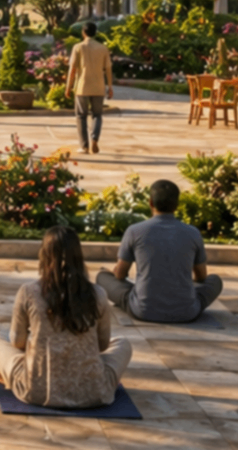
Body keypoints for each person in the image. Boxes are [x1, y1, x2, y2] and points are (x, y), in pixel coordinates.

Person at [0, 226, 132, 409]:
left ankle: (9, 374)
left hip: (37, 390)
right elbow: (102, 346)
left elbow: (17, 343)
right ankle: (100, 379)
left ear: (44, 254)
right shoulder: (98, 293)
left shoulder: (29, 291)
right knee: (123, 344)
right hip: (93, 392)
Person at [97, 178, 222, 323]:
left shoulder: (135, 231)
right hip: (186, 312)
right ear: (177, 205)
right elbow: (201, 277)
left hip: (143, 310)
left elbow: (120, 274)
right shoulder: (193, 233)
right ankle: (182, 296)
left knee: (102, 277)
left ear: (150, 202)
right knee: (215, 281)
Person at [67, 22, 114, 154]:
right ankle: (94, 138)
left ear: (83, 32)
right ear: (95, 32)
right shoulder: (103, 48)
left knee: (81, 116)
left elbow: (72, 69)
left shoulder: (78, 47)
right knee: (97, 115)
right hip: (99, 87)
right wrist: (110, 86)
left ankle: (84, 146)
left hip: (82, 87)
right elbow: (108, 69)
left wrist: (68, 87)